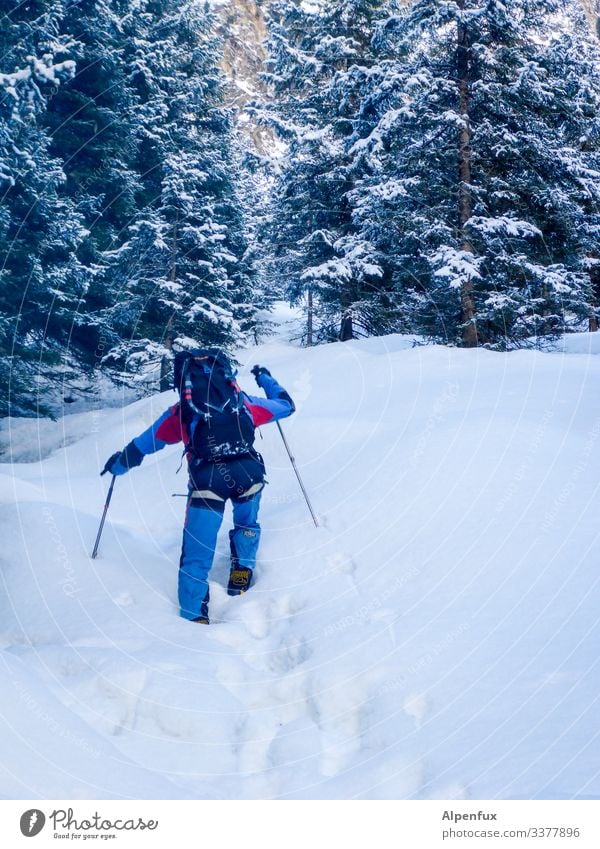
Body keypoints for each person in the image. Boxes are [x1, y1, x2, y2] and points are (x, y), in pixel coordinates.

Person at [102, 351, 295, 624]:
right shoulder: (245, 404)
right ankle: (241, 575)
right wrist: (266, 378)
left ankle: (193, 619)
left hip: (208, 482)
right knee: (247, 524)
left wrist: (117, 465)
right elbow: (286, 405)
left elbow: (141, 448)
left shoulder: (182, 413)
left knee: (196, 555)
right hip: (249, 474)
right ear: (227, 376)